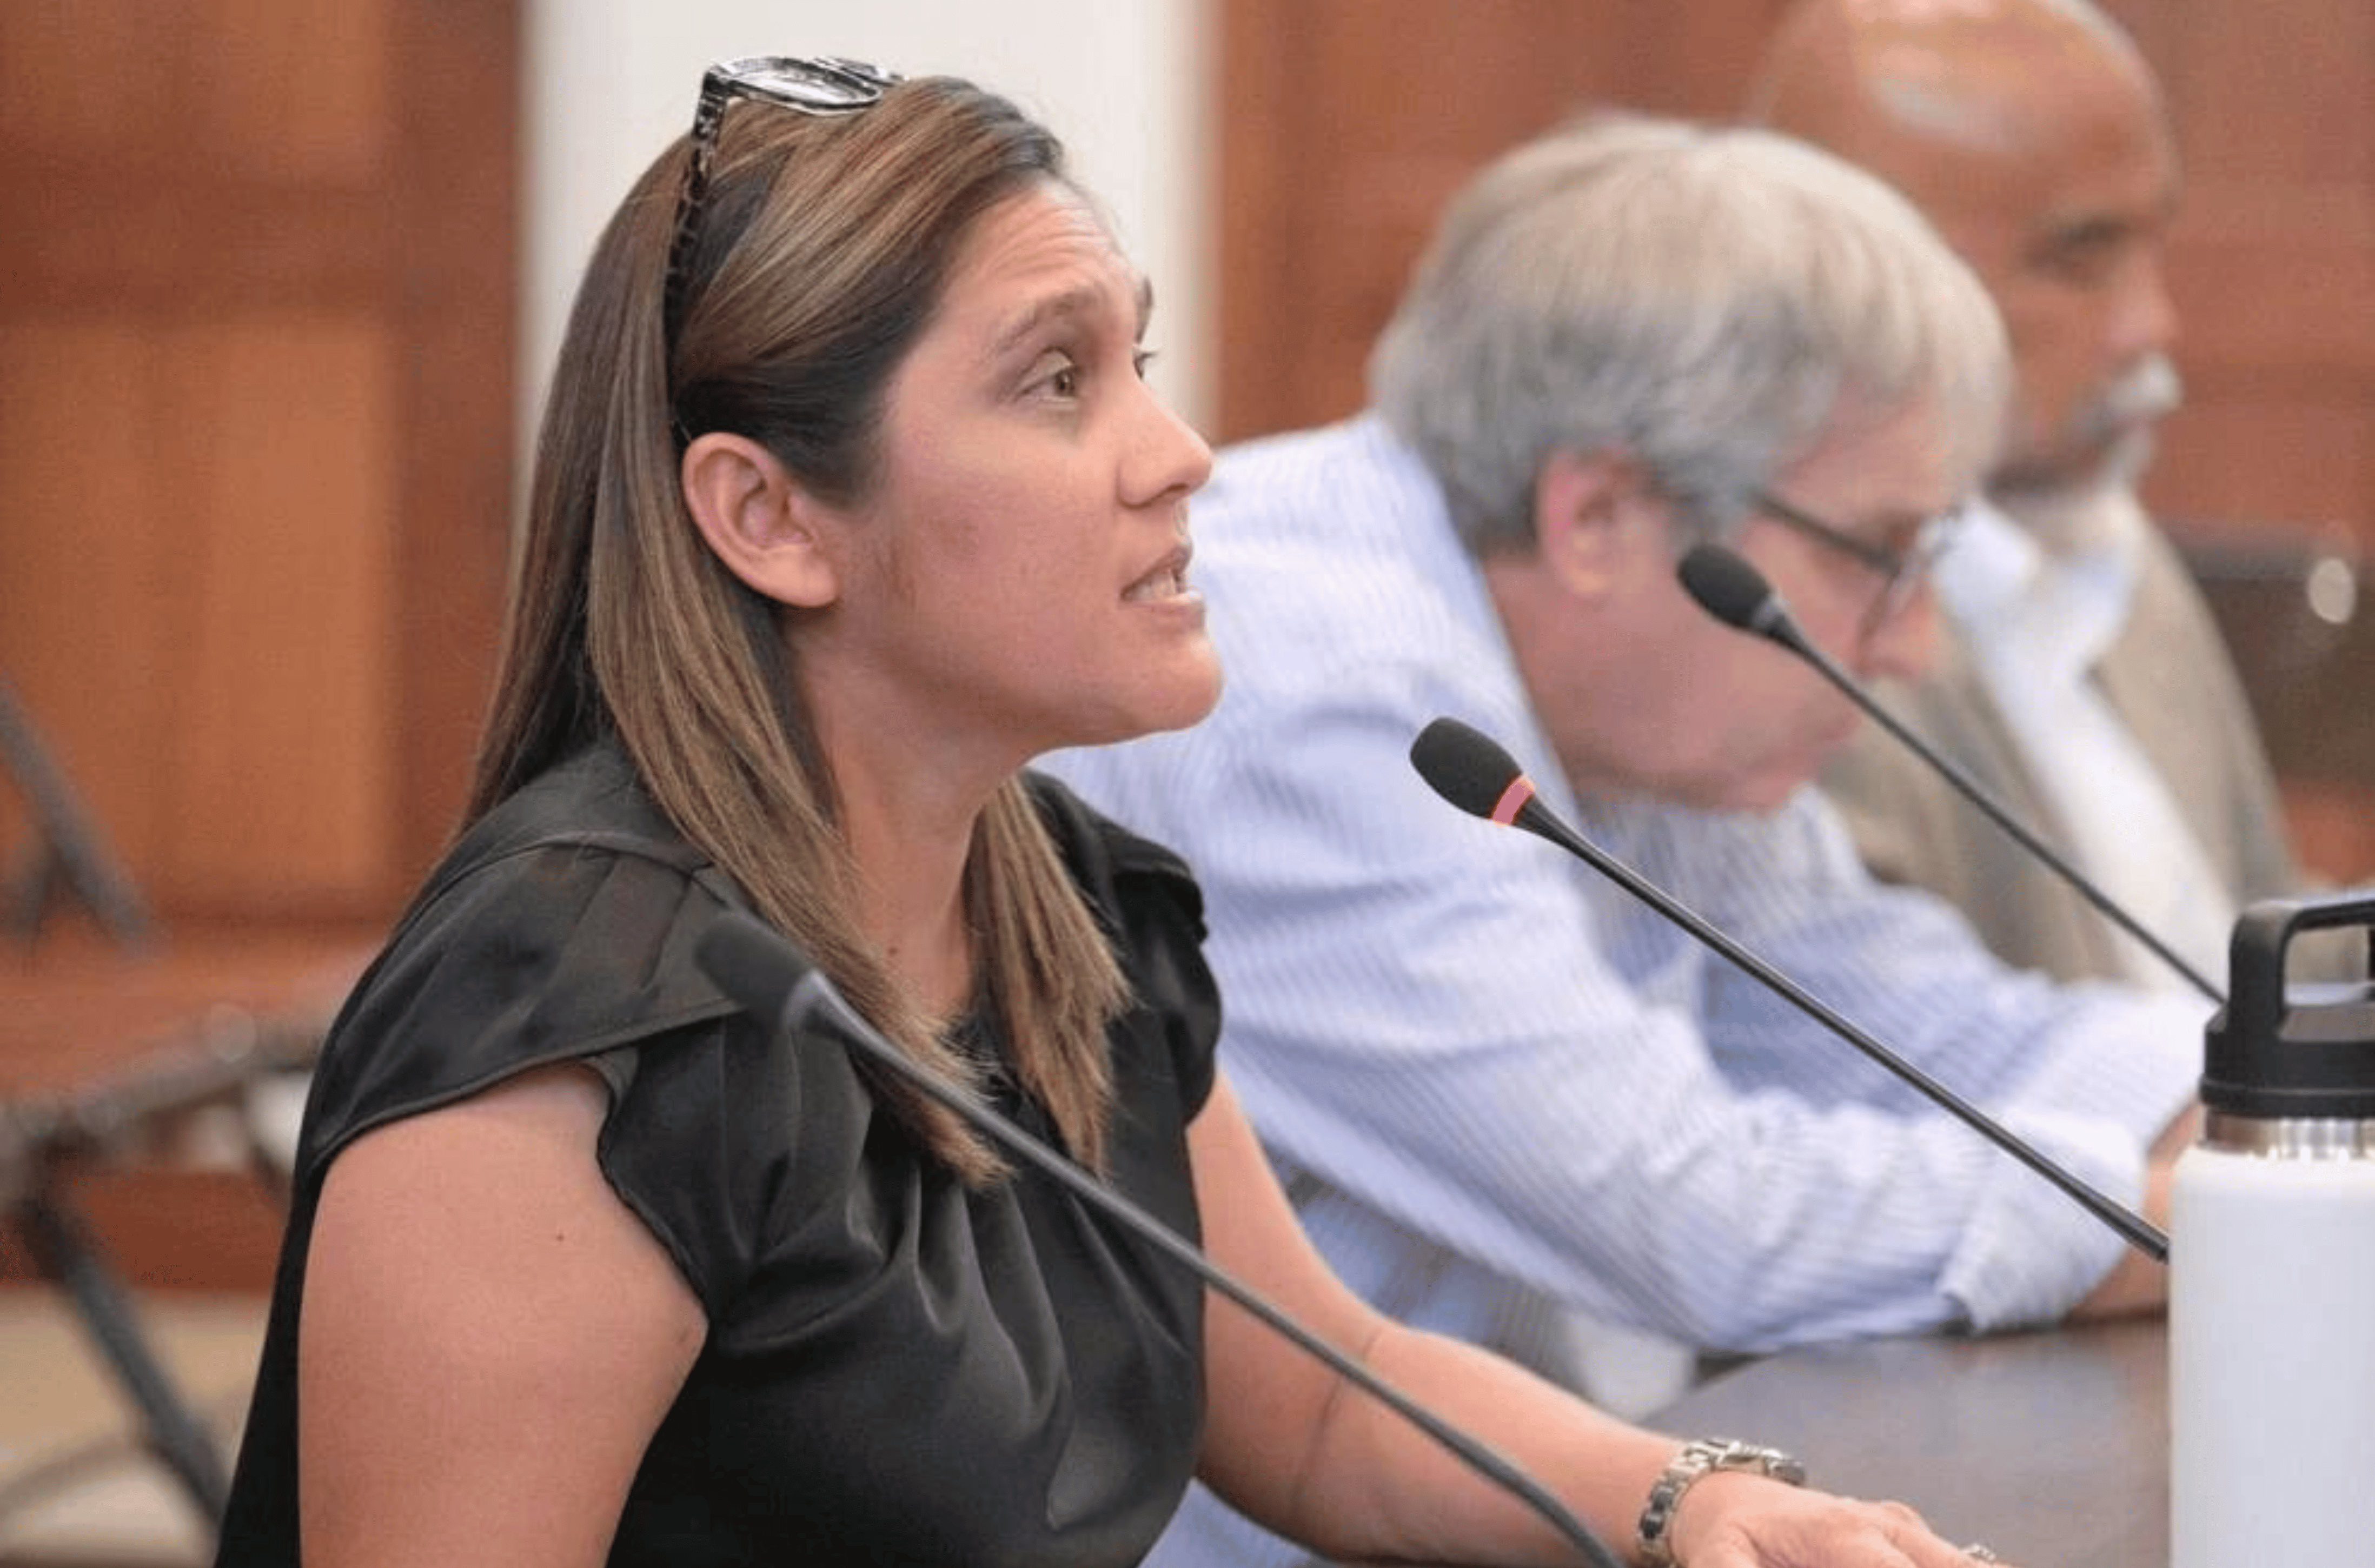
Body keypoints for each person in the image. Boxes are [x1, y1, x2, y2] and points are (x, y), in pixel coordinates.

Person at [207, 56, 2000, 1568]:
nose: (1178, 452)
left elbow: (1306, 1397)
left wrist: (1697, 1505)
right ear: (768, 517)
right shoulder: (571, 1030)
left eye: (1135, 360)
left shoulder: (1064, 901)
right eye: (1057, 381)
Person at [1043, 110, 2198, 1568]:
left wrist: (2286, 1137)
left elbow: (1920, 1030)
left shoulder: (1635, 681)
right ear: (1597, 512)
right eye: (1877, 560)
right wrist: (2220, 1214)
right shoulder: (1315, 685)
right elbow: (1691, 1213)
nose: (1906, 649)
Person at [1747, 0, 2306, 993]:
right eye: (2078, 259)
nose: (2152, 324)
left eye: (2152, 243)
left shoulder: (2111, 545)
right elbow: (1908, 1059)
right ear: (1850, 274)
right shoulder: (1774, 633)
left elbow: (2257, 938)